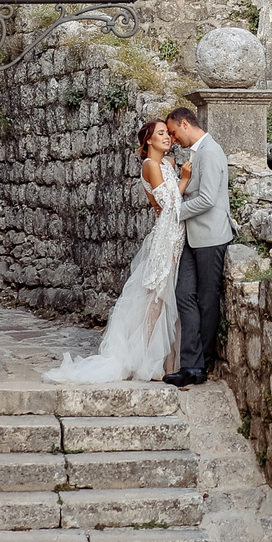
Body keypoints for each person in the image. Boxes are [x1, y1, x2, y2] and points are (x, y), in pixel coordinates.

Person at [44, 118, 189, 384]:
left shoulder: (168, 163)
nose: (167, 137)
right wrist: (186, 180)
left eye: (168, 133)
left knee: (170, 297)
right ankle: (147, 362)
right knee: (156, 300)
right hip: (165, 238)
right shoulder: (150, 165)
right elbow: (168, 204)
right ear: (148, 140)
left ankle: (167, 361)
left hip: (176, 235)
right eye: (161, 133)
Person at [162, 106, 231, 388]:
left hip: (211, 236)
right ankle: (190, 363)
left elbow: (208, 199)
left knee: (207, 299)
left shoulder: (211, 152)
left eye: (173, 132)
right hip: (193, 236)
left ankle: (200, 366)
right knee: (184, 294)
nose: (173, 138)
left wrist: (174, 212)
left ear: (185, 124)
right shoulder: (197, 152)